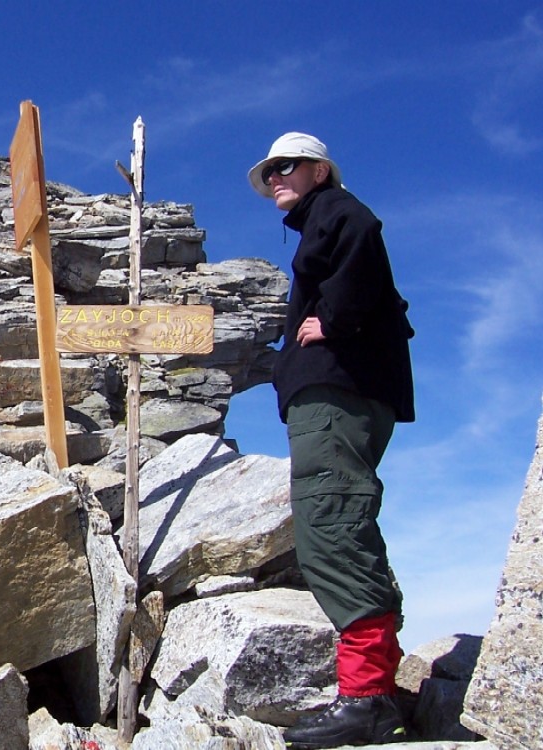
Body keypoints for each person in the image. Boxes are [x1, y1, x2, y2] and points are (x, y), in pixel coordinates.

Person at [247, 132, 415, 749]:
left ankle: (368, 699)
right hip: (347, 391)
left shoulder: (340, 211)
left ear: (320, 171)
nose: (275, 179)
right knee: (341, 523)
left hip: (337, 392)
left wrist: (335, 320)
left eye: (286, 167)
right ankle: (377, 692)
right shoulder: (324, 216)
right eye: (269, 172)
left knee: (330, 526)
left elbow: (363, 235)